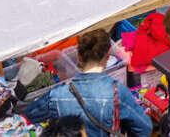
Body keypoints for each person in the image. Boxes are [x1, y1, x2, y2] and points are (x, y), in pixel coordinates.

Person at [18, 30, 152, 137]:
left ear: (79, 57)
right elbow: (144, 128)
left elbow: (28, 116)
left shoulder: (56, 95)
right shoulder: (118, 91)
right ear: (106, 58)